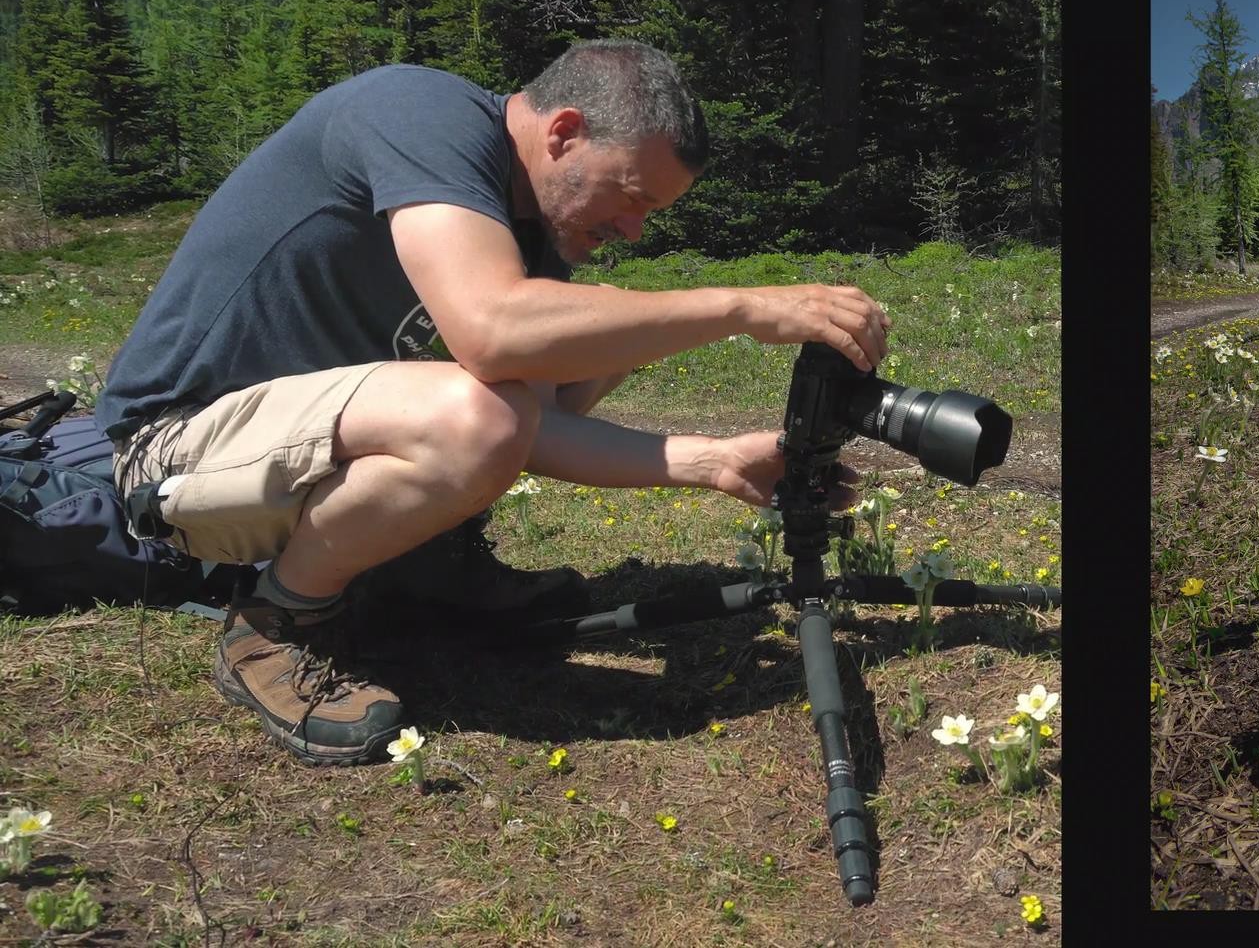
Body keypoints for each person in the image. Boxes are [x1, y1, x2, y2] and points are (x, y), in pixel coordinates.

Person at [96, 40, 889, 767]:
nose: (636, 227)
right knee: (492, 397)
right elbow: (490, 337)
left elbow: (539, 426)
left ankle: (422, 574)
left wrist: (714, 461)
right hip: (177, 447)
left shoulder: (531, 228)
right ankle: (273, 624)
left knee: (566, 353)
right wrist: (743, 308)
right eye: (632, 195)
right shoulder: (420, 111)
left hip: (292, 449)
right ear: (564, 131)